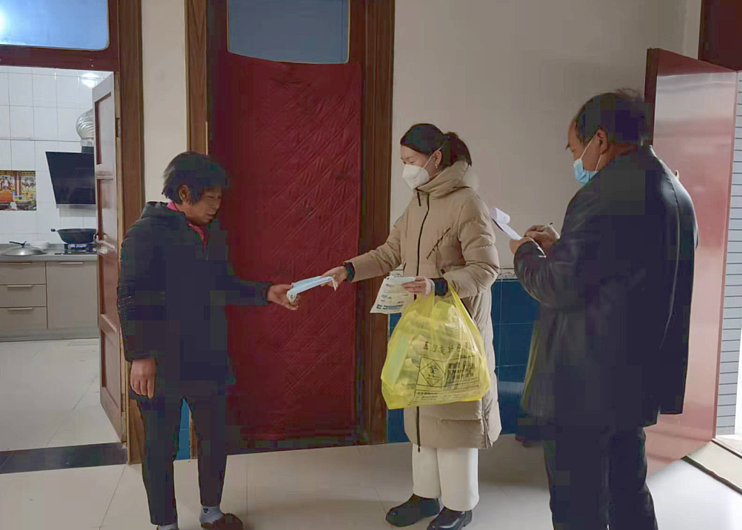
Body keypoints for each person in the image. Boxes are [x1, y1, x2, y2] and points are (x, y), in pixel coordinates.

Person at [510, 91, 697, 530]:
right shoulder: (674, 191)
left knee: (578, 508)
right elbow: (621, 270)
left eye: (574, 148)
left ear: (600, 139)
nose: (576, 160)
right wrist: (562, 247)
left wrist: (525, 254)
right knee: (628, 494)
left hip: (583, 386)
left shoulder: (602, 194)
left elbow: (557, 286)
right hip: (632, 382)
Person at [323, 124, 501, 530]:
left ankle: (459, 506)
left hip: (456, 330)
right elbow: (390, 252)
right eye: (403, 161)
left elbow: (486, 269)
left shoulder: (467, 203)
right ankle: (425, 495)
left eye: (411, 161)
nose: (406, 169)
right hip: (421, 327)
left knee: (453, 419)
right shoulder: (418, 203)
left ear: (435, 158)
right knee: (422, 410)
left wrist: (440, 285)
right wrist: (349, 269)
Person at [118, 152, 299, 530]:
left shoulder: (210, 233)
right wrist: (140, 356)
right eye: (211, 197)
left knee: (216, 435)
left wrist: (266, 292)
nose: (217, 206)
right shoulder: (145, 233)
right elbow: (131, 298)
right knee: (160, 445)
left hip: (207, 354)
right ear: (184, 193)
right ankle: (165, 524)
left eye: (219, 198)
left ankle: (211, 511)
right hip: (160, 360)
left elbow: (221, 286)